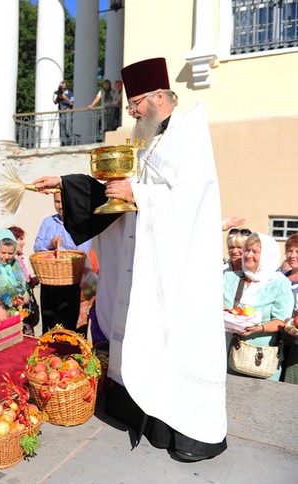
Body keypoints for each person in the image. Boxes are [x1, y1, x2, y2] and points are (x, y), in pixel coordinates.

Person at [31, 57, 227, 460]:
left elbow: (190, 202)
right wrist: (63, 184)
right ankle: (138, 410)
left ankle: (188, 433)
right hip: (146, 265)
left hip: (179, 272)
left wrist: (140, 196)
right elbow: (117, 193)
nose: (132, 110)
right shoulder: (148, 141)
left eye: (136, 101)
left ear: (159, 97)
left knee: (177, 341)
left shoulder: (189, 136)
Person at [223, 233, 292, 381]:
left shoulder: (279, 282)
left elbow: (282, 321)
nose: (248, 254)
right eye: (247, 250)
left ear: (267, 255)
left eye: (255, 251)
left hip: (261, 360)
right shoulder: (229, 277)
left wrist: (259, 328)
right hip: (226, 355)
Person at [34, 192, 91, 332]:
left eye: (63, 202)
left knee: (69, 325)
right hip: (49, 280)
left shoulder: (80, 224)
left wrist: (63, 252)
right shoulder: (48, 222)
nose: (60, 206)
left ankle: (67, 353)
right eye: (57, 202)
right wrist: (50, 243)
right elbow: (37, 248)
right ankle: (47, 352)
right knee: (48, 324)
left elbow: (83, 252)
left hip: (70, 280)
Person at [281, 233, 298, 384]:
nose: (293, 255)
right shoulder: (279, 277)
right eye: (290, 251)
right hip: (276, 342)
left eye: (297, 251)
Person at [54, 80, 74, 146]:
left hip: (67, 110)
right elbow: (55, 102)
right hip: (61, 110)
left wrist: (65, 97)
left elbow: (71, 103)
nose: (62, 85)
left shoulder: (70, 93)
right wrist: (58, 97)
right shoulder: (60, 93)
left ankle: (69, 142)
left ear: (66, 85)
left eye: (64, 84)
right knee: (62, 127)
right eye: (61, 84)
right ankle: (63, 143)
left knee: (67, 127)